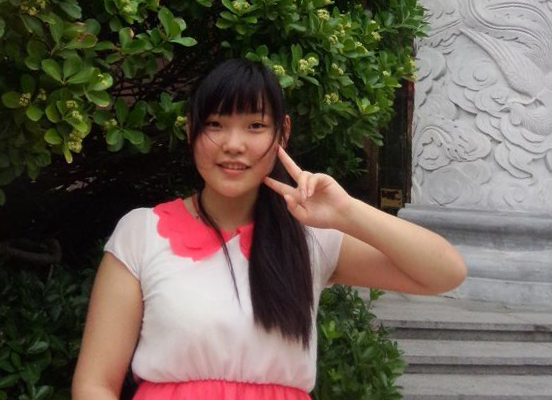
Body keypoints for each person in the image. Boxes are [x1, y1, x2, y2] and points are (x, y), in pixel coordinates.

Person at [71, 58, 466, 400]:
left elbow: (445, 272)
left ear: (283, 133)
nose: (233, 144)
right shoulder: (142, 233)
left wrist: (347, 212)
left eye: (255, 125)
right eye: (215, 124)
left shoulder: (309, 238)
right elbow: (94, 383)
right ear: (190, 129)